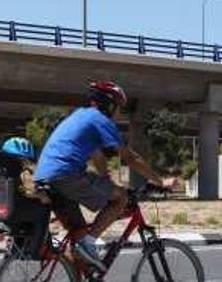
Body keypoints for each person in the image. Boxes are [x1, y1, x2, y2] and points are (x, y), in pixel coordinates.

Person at [32, 81, 172, 272]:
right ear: (110, 105)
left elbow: (96, 154)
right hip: (66, 175)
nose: (119, 114)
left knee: (78, 235)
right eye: (119, 109)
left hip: (45, 178)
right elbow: (130, 158)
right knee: (121, 198)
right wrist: (161, 181)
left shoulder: (80, 116)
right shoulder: (100, 119)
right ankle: (89, 243)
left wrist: (105, 178)